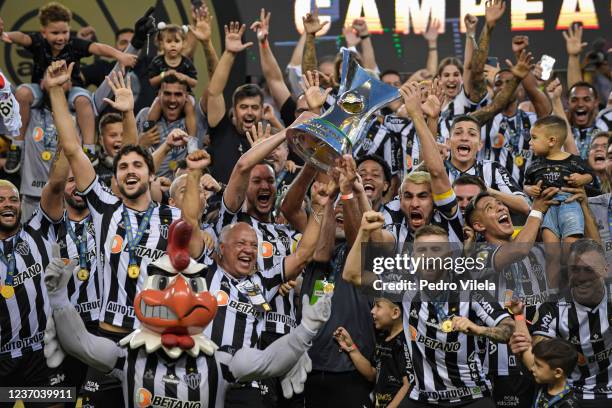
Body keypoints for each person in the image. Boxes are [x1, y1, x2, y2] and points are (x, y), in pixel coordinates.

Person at [43, 218, 333, 408]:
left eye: (253, 245)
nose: (176, 299)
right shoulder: (128, 357)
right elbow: (79, 343)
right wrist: (57, 298)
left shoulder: (221, 365)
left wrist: (306, 330)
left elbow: (267, 361)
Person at [47, 59, 181, 407]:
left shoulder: (172, 217)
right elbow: (73, 148)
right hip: (108, 342)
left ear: (152, 175)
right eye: (122, 167)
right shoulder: (105, 208)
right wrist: (57, 93)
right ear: (116, 178)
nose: (129, 170)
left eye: (138, 166)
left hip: (157, 344)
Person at [1, 1, 137, 172]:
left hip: (71, 89)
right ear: (43, 32)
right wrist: (6, 34)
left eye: (64, 32)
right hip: (41, 88)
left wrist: (120, 55)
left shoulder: (74, 44)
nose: (60, 37)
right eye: (54, 33)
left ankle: (89, 149)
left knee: (83, 100)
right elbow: (22, 37)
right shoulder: (38, 43)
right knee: (21, 93)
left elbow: (98, 48)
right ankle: (16, 146)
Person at [510, 239, 612, 407]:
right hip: (571, 397)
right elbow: (537, 362)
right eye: (574, 269)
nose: (581, 277)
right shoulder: (553, 308)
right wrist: (519, 318)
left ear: (606, 269)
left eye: (589, 269)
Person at [207, 21, 262, 184]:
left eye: (254, 107)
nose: (249, 112)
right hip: (220, 206)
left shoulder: (268, 140)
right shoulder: (222, 130)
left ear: (262, 111)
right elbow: (214, 92)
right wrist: (229, 54)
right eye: (243, 107)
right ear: (234, 111)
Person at [334, 298, 412, 408]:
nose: (372, 311)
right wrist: (351, 347)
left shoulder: (405, 342)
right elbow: (372, 373)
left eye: (378, 306)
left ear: (395, 313)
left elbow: (408, 385)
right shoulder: (382, 338)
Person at [136, 74, 206, 179]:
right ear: (159, 94)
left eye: (178, 94)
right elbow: (127, 155)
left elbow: (214, 91)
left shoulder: (195, 116)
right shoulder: (145, 114)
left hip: (184, 187)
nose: (172, 100)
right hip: (151, 185)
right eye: (167, 93)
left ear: (186, 96)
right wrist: (140, 144)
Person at [511, 313, 582, 408]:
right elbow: (524, 345)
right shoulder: (543, 382)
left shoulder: (568, 404)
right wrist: (518, 314)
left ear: (557, 372)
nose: (532, 368)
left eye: (538, 365)